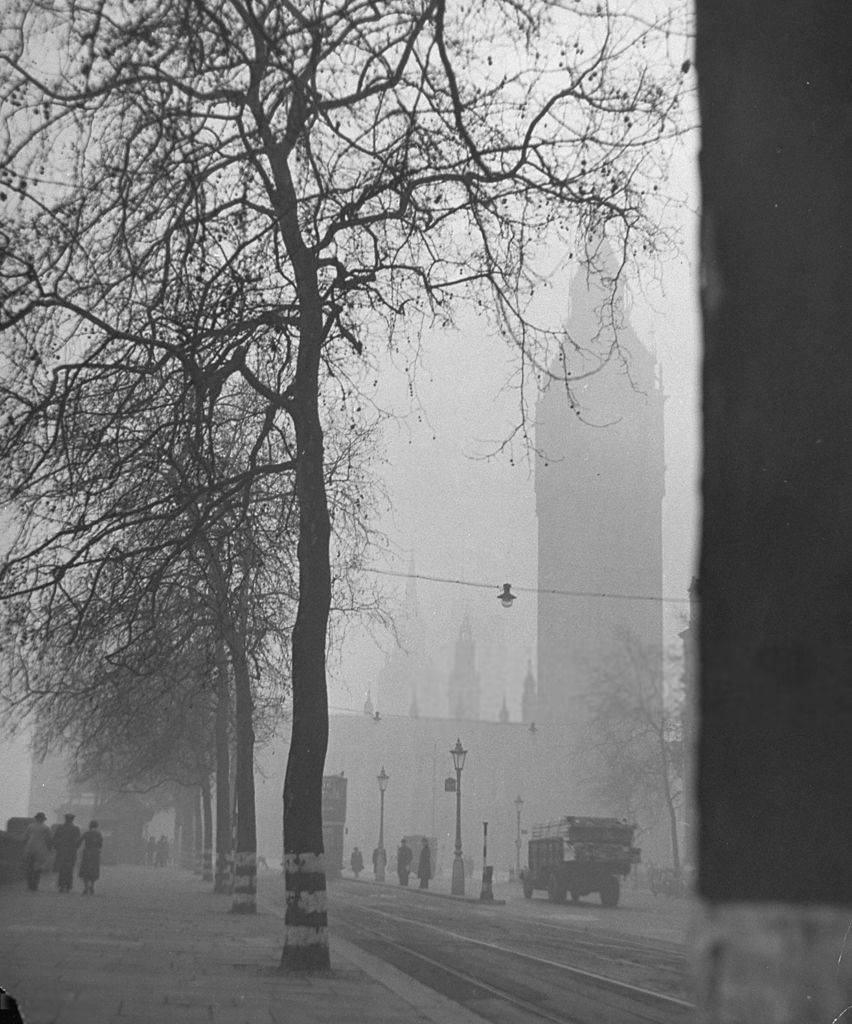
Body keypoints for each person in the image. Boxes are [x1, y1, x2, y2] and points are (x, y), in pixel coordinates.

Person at [22, 812, 52, 892]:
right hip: (40, 849)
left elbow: (25, 837)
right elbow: (49, 839)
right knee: (38, 868)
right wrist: (50, 849)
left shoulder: (30, 826)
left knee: (29, 867)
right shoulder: (45, 828)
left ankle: (29, 884)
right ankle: (35, 884)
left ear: (36, 818)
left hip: (30, 848)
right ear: (43, 819)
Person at [53, 813, 81, 892]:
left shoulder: (60, 828)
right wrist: (75, 848)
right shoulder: (76, 829)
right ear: (72, 819)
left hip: (61, 851)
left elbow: (55, 839)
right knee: (69, 869)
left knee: (61, 869)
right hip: (71, 852)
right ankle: (68, 885)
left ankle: (61, 885)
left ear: (65, 819)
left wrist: (57, 848)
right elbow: (78, 841)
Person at [78, 820, 103, 895]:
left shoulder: (87, 833)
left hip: (87, 853)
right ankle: (92, 886)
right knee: (93, 870)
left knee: (85, 870)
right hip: (95, 853)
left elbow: (79, 840)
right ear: (97, 826)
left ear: (90, 826)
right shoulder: (99, 834)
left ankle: (86, 887)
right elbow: (100, 844)